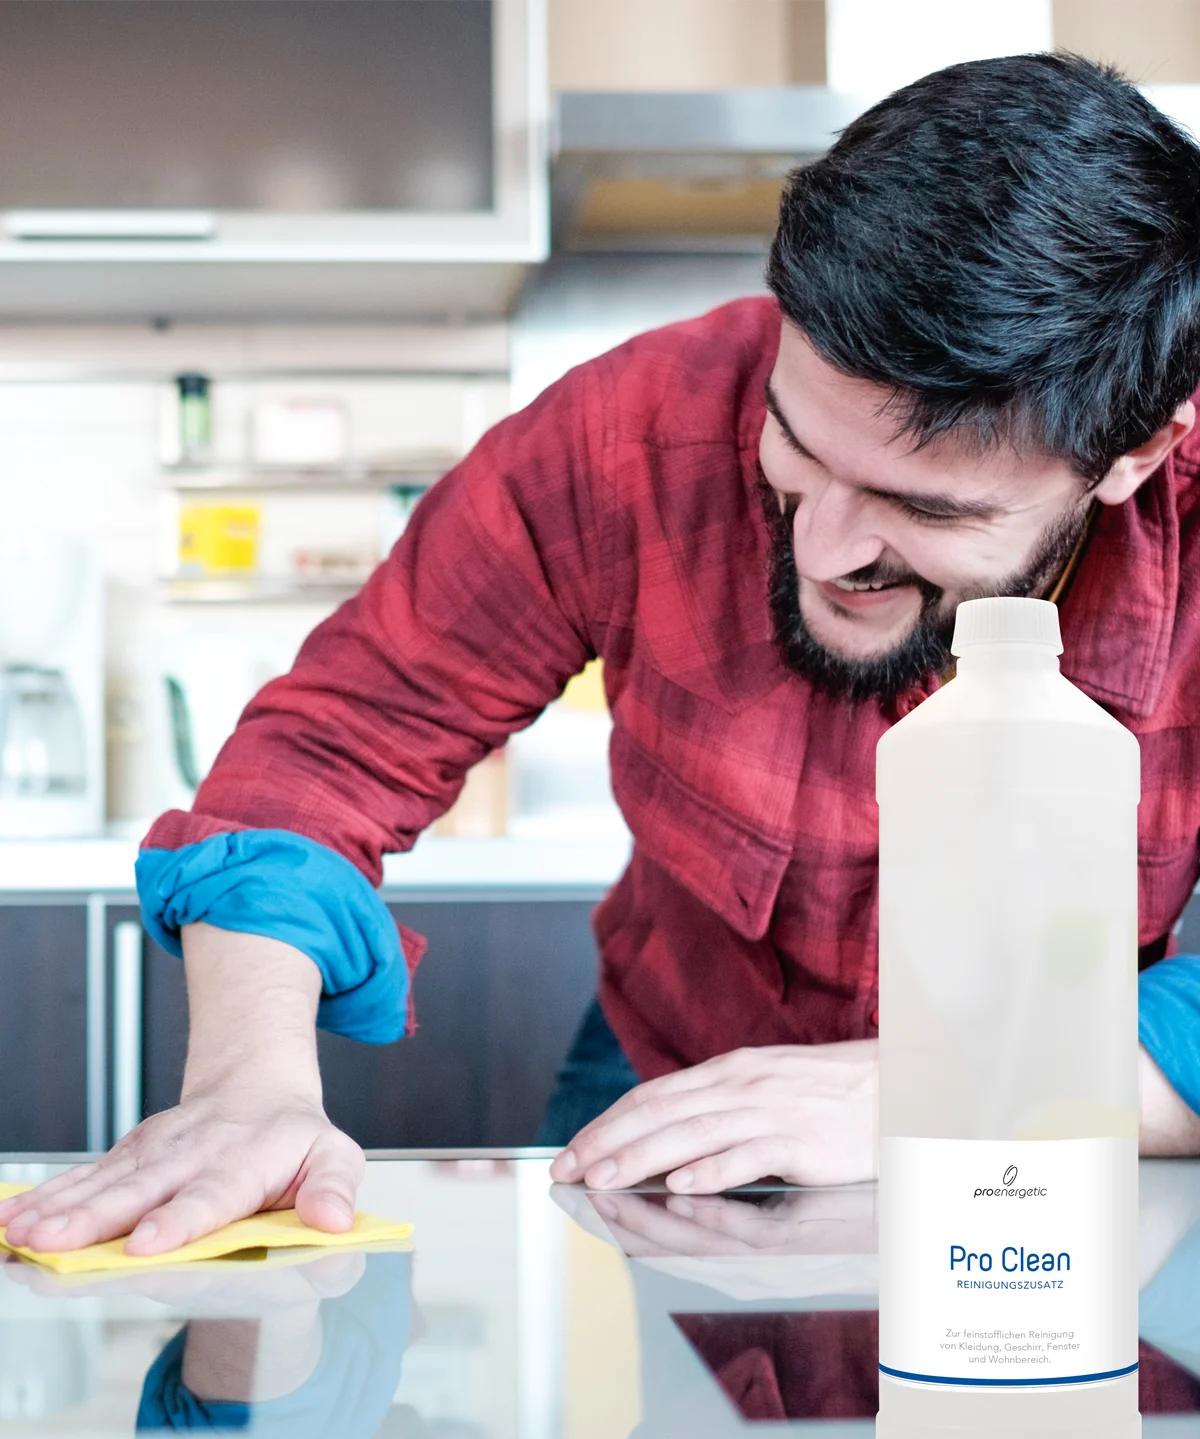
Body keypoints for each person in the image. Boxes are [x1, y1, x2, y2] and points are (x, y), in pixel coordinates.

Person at [5, 52, 1200, 1258]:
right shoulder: (634, 427)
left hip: (1077, 1108)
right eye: (796, 443)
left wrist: (942, 1089)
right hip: (669, 1070)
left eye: (926, 508)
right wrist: (245, 1082)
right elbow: (335, 740)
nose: (827, 548)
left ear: (1135, 453)